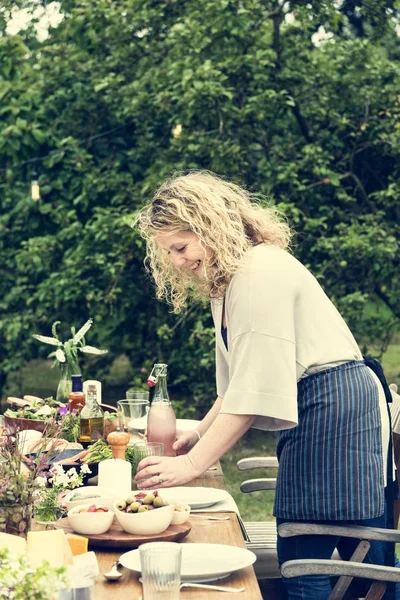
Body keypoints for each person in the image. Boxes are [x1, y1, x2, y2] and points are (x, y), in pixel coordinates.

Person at [134, 170, 398, 600]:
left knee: (311, 545)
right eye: (169, 254)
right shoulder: (228, 281)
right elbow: (238, 383)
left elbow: (254, 391)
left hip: (334, 406)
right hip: (320, 403)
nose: (177, 262)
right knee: (333, 546)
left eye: (181, 247)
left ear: (209, 226)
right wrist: (198, 432)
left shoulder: (259, 272)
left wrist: (192, 464)